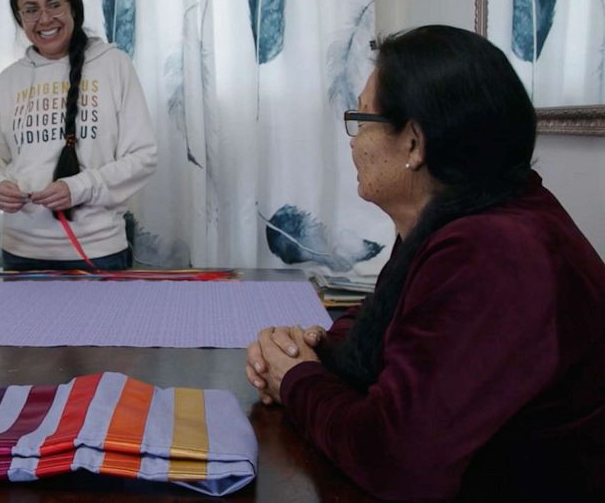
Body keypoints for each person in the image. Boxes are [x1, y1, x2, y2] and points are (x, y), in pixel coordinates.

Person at [245, 26, 605, 501]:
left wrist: (295, 379)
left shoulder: (492, 253)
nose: (352, 142)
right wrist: (310, 348)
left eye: (361, 119)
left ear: (414, 143)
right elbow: (398, 326)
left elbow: (395, 460)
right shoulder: (462, 218)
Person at [0, 0, 157, 271]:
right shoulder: (9, 80)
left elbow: (143, 156)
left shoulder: (113, 65)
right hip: (20, 254)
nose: (45, 19)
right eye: (31, 10)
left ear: (72, 6)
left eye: (54, 4)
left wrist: (79, 187)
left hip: (98, 253)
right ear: (20, 19)